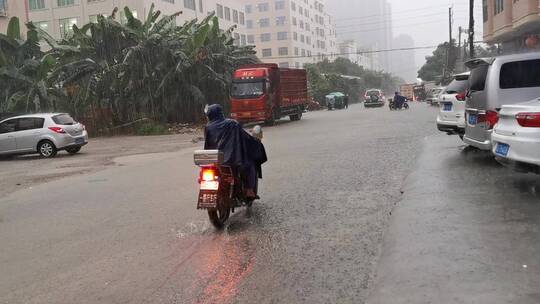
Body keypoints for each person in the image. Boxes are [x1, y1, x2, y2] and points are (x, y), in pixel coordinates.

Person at [204, 104, 267, 200]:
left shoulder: (208, 127)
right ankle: (249, 190)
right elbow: (245, 137)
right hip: (233, 160)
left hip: (215, 161)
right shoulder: (232, 123)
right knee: (250, 164)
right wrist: (255, 142)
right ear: (221, 113)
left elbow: (208, 144)